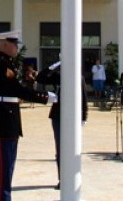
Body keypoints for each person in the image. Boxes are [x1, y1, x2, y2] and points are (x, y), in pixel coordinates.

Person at [0, 30, 57, 201]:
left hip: (7, 120)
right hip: (1, 121)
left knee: (7, 168)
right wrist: (44, 97)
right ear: (4, 44)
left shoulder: (7, 64)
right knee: (3, 170)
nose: (17, 47)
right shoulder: (0, 64)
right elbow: (16, 90)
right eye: (14, 44)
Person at [36, 59, 88, 190]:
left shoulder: (78, 77)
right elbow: (40, 77)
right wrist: (57, 64)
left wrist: (84, 117)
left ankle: (72, 178)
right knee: (60, 150)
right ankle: (62, 179)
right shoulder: (59, 76)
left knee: (72, 148)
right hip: (58, 116)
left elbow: (83, 97)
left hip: (73, 117)